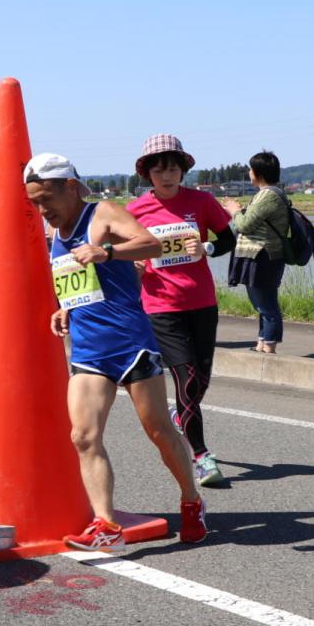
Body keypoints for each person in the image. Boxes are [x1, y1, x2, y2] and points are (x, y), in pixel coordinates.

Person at [25, 152, 207, 552]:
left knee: (158, 430)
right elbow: (79, 282)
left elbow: (151, 245)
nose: (42, 209)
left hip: (131, 345)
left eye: (46, 200)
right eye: (34, 202)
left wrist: (106, 252)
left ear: (70, 187)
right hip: (89, 350)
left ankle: (191, 501)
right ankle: (106, 522)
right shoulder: (55, 232)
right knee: (83, 436)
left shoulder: (103, 214)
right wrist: (65, 307)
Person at [125, 135, 234, 487]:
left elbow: (228, 240)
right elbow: (120, 251)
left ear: (183, 169)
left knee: (200, 381)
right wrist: (134, 265)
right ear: (147, 173)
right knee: (185, 378)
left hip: (202, 301)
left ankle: (181, 416)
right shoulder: (136, 210)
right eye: (159, 169)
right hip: (159, 305)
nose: (167, 175)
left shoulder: (201, 201)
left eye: (173, 168)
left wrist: (206, 248)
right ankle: (201, 456)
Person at [224, 151, 290, 354]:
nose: (248, 172)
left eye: (250, 169)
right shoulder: (265, 194)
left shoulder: (268, 195)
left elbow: (245, 225)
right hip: (257, 255)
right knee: (261, 303)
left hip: (263, 256)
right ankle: (262, 342)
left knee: (266, 302)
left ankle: (269, 345)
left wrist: (234, 210)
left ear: (259, 172)